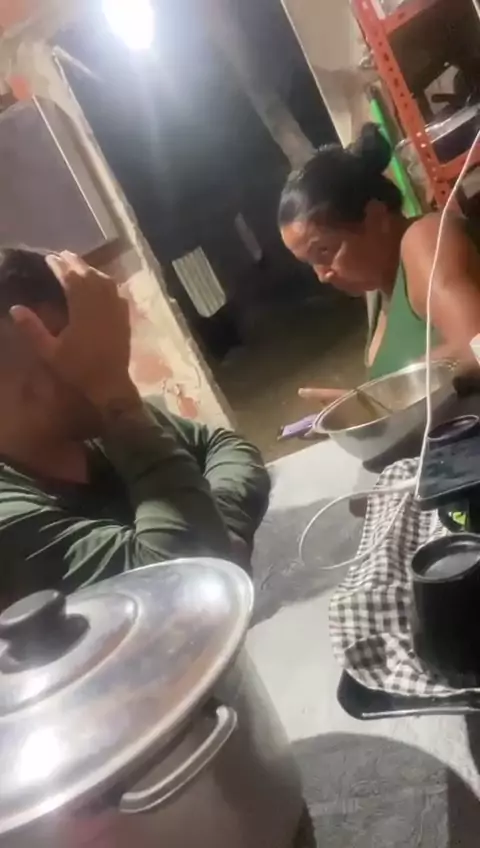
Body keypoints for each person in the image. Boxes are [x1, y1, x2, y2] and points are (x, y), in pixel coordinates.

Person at [0, 248, 270, 606]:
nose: (90, 360)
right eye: (59, 348)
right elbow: (180, 588)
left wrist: (222, 527)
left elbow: (224, 445)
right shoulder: (8, 516)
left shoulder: (93, 414)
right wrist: (116, 398)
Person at [278, 123, 480, 405]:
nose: (322, 275)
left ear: (375, 217)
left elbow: (477, 345)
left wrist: (388, 393)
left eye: (324, 251)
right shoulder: (377, 288)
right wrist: (367, 406)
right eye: (310, 262)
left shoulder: (424, 242)